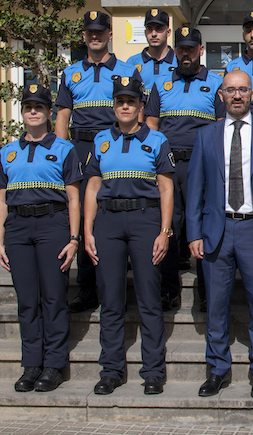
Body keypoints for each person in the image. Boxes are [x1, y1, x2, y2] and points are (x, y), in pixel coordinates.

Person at [186, 69, 253, 400]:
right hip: (216, 231)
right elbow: (195, 189)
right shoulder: (206, 135)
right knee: (216, 306)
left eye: (243, 90)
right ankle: (217, 368)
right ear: (220, 96)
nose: (237, 95)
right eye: (230, 90)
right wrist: (194, 232)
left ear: (252, 95)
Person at [83, 75, 175, 396]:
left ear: (140, 106)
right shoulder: (100, 140)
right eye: (120, 101)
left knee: (149, 299)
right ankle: (111, 369)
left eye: (131, 101)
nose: (125, 106)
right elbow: (92, 186)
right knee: (110, 300)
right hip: (107, 222)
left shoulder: (157, 140)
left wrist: (165, 231)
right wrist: (87, 230)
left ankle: (152, 370)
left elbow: (165, 187)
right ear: (114, 105)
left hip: (145, 220)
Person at [0, 83, 83, 393]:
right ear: (22, 112)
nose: (33, 111)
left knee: (54, 297)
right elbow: (3, 198)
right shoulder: (8, 151)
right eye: (28, 106)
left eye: (39, 107)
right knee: (27, 300)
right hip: (18, 228)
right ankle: (31, 363)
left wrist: (74, 238)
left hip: (52, 225)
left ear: (49, 112)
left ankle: (54, 364)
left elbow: (73, 198)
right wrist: (0, 240)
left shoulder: (63, 149)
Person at [56, 10, 137, 314]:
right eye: (90, 32)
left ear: (109, 35)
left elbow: (135, 114)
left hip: (113, 145)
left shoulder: (128, 70)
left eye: (100, 32)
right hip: (79, 146)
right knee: (80, 216)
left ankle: (117, 284)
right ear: (83, 36)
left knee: (111, 209)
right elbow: (62, 116)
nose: (95, 36)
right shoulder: (71, 73)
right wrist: (63, 154)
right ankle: (87, 288)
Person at [145, 26, 224, 311]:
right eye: (181, 49)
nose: (186, 53)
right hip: (168, 166)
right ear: (174, 51)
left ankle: (205, 290)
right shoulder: (160, 85)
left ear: (201, 50)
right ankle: (169, 289)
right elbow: (151, 126)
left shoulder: (216, 84)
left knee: (202, 226)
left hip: (201, 165)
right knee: (168, 225)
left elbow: (220, 128)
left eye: (191, 48)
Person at [126, 9, 177, 98]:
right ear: (145, 32)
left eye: (159, 29)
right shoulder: (132, 62)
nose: (153, 34)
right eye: (149, 29)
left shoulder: (178, 61)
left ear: (168, 32)